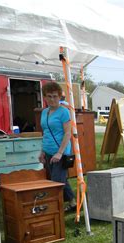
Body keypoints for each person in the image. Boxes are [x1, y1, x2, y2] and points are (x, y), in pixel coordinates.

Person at [38, 82, 76, 212]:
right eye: (49, 96)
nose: (52, 99)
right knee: (59, 178)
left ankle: (55, 209)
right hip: (48, 151)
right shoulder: (44, 112)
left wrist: (59, 153)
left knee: (56, 183)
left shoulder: (64, 112)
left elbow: (67, 133)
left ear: (60, 96)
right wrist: (42, 151)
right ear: (45, 97)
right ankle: (72, 202)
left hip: (61, 152)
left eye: (55, 96)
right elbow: (46, 132)